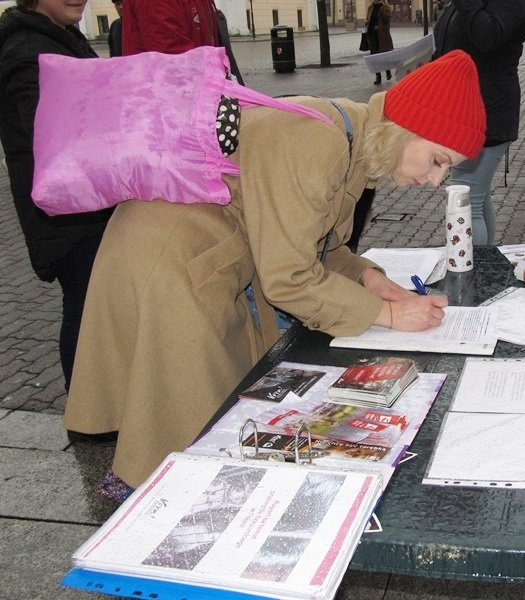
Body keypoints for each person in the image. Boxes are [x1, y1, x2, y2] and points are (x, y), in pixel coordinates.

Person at [63, 49, 486, 498]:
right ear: (408, 129)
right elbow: (288, 277)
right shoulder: (319, 142)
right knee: (179, 421)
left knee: (198, 415)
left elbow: (321, 245)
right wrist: (390, 316)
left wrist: (369, 279)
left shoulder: (350, 144)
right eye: (438, 160)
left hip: (195, 257)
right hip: (173, 263)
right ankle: (142, 511)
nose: (438, 180)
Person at [0, 0, 113, 390]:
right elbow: (47, 128)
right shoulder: (26, 47)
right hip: (64, 211)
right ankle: (85, 414)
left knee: (94, 305)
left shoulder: (58, 35)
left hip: (81, 201)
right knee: (84, 305)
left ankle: (97, 404)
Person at [433, 0, 525, 246]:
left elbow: (488, 36)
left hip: (487, 112)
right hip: (465, 109)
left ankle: (474, 274)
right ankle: (486, 267)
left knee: (466, 201)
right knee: (476, 196)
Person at [366, 0, 393, 85]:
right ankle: (378, 76)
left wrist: (380, 27)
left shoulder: (385, 8)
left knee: (383, 55)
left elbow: (387, 18)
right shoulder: (370, 8)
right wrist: (367, 22)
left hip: (382, 36)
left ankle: (387, 71)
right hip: (372, 35)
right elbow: (368, 19)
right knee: (374, 56)